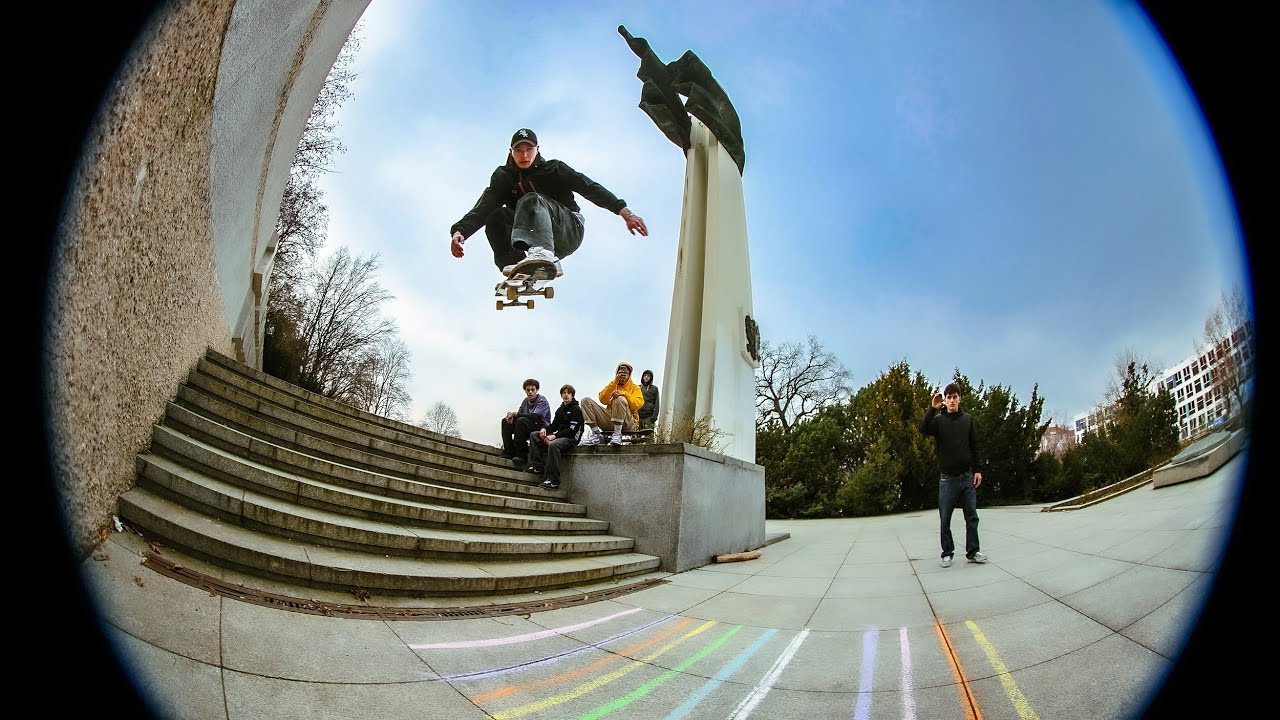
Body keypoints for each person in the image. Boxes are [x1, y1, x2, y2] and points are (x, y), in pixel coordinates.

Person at [448, 128, 649, 279]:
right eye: (519, 150)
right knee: (496, 216)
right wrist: (460, 232)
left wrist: (625, 213)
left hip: (568, 230)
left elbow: (589, 187)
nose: (524, 156)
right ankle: (515, 267)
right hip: (536, 238)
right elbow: (484, 207)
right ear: (511, 151)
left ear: (537, 150)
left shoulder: (553, 169)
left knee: (531, 200)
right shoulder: (504, 178)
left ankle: (545, 256)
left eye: (529, 149)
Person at [919, 382, 988, 568]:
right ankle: (947, 553)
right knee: (945, 518)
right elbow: (923, 429)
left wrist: (978, 470)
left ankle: (973, 552)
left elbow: (975, 446)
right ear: (945, 400)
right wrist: (932, 409)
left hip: (967, 476)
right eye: (948, 397)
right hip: (947, 479)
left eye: (954, 397)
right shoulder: (939, 421)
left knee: (972, 516)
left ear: (960, 399)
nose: (951, 400)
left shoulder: (968, 419)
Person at [528, 384, 587, 489]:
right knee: (534, 435)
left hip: (571, 439)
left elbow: (572, 430)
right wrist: (545, 429)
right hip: (560, 436)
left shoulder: (576, 409)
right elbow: (554, 425)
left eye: (568, 393)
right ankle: (538, 466)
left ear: (572, 395)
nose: (566, 395)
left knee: (553, 444)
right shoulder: (560, 410)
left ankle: (553, 480)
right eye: (564, 393)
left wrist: (554, 436)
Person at [579, 361, 644, 446]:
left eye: (625, 373)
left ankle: (617, 434)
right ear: (616, 374)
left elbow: (638, 404)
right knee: (585, 401)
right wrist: (615, 382)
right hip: (610, 421)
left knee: (619, 398)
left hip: (627, 423)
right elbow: (602, 399)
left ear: (629, 375)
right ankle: (596, 435)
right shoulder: (613, 385)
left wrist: (624, 394)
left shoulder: (635, 388)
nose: (623, 375)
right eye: (620, 373)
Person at [500, 378, 551, 466]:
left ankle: (522, 456)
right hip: (526, 425)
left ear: (537, 390)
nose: (530, 392)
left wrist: (516, 414)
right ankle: (509, 451)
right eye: (528, 390)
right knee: (505, 421)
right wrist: (510, 415)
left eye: (532, 390)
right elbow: (518, 414)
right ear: (525, 391)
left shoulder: (542, 400)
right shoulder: (525, 401)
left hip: (541, 428)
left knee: (521, 420)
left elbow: (534, 417)